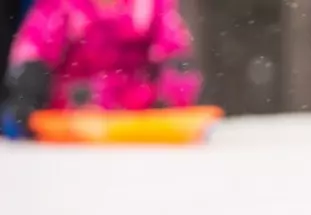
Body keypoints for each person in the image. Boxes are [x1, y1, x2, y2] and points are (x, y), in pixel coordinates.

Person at [1, 0, 201, 138]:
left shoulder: (148, 5)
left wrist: (171, 100)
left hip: (138, 114)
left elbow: (176, 54)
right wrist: (27, 95)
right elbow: (35, 50)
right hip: (75, 113)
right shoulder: (63, 5)